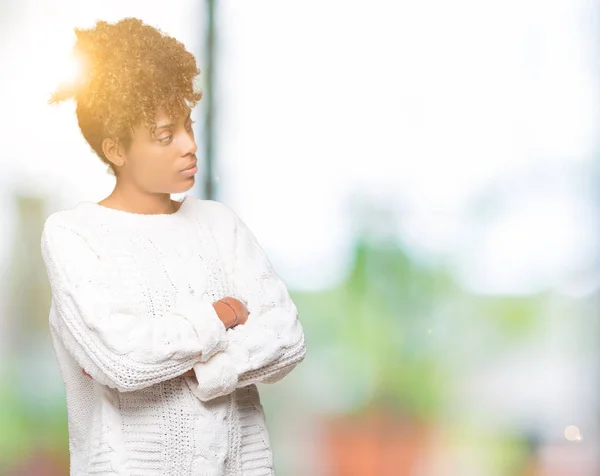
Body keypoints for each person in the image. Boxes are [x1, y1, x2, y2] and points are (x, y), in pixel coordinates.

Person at [40, 17, 306, 476]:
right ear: (116, 150)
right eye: (165, 136)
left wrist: (202, 369)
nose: (189, 145)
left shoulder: (220, 224)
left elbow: (287, 339)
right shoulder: (73, 236)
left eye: (187, 125)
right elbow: (123, 361)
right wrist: (218, 318)